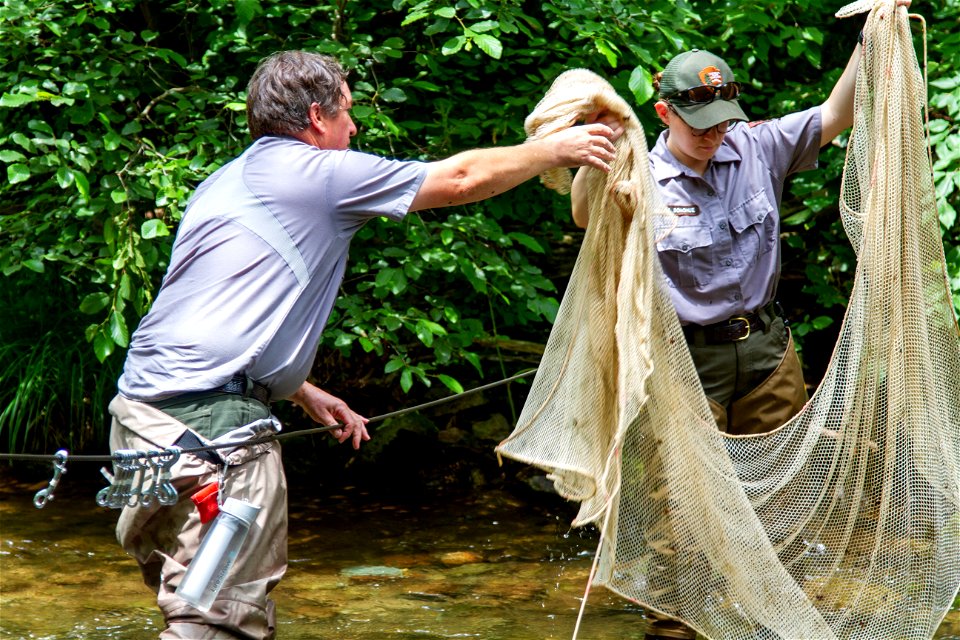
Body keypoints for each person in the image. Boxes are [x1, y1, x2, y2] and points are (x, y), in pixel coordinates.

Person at [107, 50, 618, 640]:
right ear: (318, 116)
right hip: (216, 434)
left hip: (141, 423)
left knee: (192, 597)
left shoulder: (225, 182)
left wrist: (298, 390)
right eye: (348, 114)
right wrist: (554, 151)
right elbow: (457, 179)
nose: (354, 129)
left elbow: (210, 313)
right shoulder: (316, 174)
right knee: (218, 620)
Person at [569, 4, 910, 639]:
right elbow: (588, 221)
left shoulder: (758, 146)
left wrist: (876, 32)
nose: (712, 134)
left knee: (779, 494)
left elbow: (837, 113)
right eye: (697, 123)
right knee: (678, 507)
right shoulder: (636, 171)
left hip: (763, 352)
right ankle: (678, 625)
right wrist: (598, 147)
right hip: (677, 365)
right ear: (664, 112)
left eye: (722, 121)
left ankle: (762, 619)